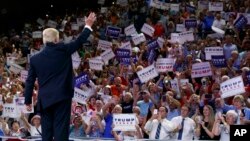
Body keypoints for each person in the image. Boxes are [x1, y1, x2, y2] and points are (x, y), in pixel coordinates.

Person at [24, 12, 96, 141]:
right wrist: (88, 25)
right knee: (61, 130)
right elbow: (80, 41)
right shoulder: (63, 49)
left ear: (44, 40)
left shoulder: (35, 59)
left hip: (45, 99)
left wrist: (28, 101)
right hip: (62, 97)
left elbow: (29, 81)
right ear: (57, 40)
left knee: (46, 131)